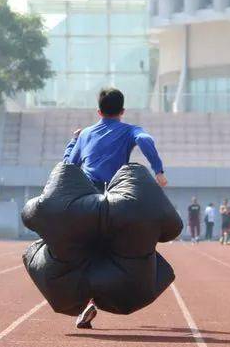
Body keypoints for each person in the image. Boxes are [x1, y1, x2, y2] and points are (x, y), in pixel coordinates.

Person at [61, 87, 167, 329]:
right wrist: (158, 170)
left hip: (86, 198)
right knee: (124, 247)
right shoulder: (129, 130)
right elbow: (146, 140)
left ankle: (86, 300)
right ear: (123, 111)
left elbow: (69, 164)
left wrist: (73, 141)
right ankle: (111, 295)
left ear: (98, 111)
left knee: (84, 250)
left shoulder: (86, 133)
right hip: (116, 196)